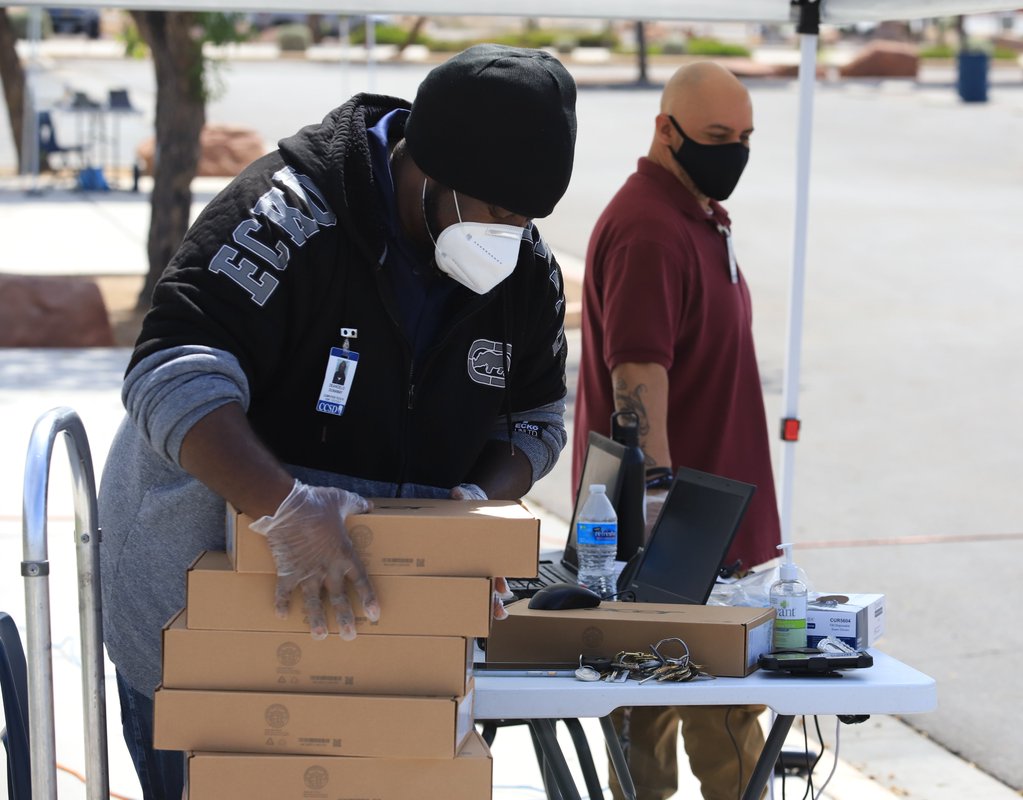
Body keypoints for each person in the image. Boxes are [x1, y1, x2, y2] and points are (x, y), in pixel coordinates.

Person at [97, 44, 575, 800]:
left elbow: (537, 415)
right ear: (431, 169)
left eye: (527, 217)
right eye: (496, 211)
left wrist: (475, 508)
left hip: (385, 647)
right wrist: (284, 509)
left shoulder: (522, 273)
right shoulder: (286, 217)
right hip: (201, 631)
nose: (510, 234)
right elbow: (170, 375)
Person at [572, 61, 781, 800]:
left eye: (746, 137)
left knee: (695, 717)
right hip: (673, 538)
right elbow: (637, 373)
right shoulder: (650, 228)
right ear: (666, 129)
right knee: (690, 726)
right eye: (718, 136)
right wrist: (658, 503)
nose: (735, 152)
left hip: (707, 535)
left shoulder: (697, 214)